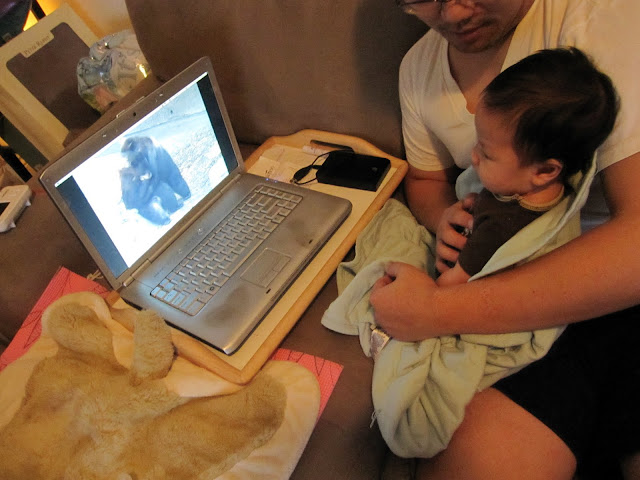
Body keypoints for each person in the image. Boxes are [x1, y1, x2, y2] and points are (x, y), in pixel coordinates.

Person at [370, 0, 640, 478]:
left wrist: (434, 311)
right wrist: (445, 218)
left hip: (608, 289)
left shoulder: (594, 19)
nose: (454, 14)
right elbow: (426, 179)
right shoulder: (418, 68)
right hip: (505, 286)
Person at [437, 46, 618, 287]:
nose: (474, 155)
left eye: (486, 153)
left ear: (544, 172)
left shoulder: (501, 228)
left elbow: (452, 285)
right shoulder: (544, 184)